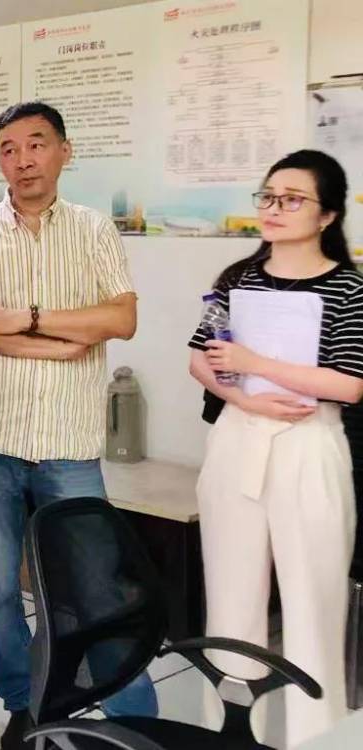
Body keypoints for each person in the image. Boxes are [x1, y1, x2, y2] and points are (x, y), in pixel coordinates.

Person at [0, 101, 157, 749]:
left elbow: (121, 320)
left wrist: (23, 318)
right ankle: (24, 703)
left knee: (98, 590)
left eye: (36, 144)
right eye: (8, 148)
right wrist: (67, 340)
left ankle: (131, 716)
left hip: (69, 443)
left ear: (65, 150)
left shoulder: (95, 230)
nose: (23, 159)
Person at [188, 149, 362, 746]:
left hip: (309, 445)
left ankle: (318, 737)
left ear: (327, 215)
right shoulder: (237, 278)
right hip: (238, 439)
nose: (274, 208)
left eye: (292, 199)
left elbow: (349, 384)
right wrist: (243, 396)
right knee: (231, 605)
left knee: (314, 608)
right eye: (267, 196)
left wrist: (255, 364)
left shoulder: (348, 288)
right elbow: (200, 359)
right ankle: (231, 734)